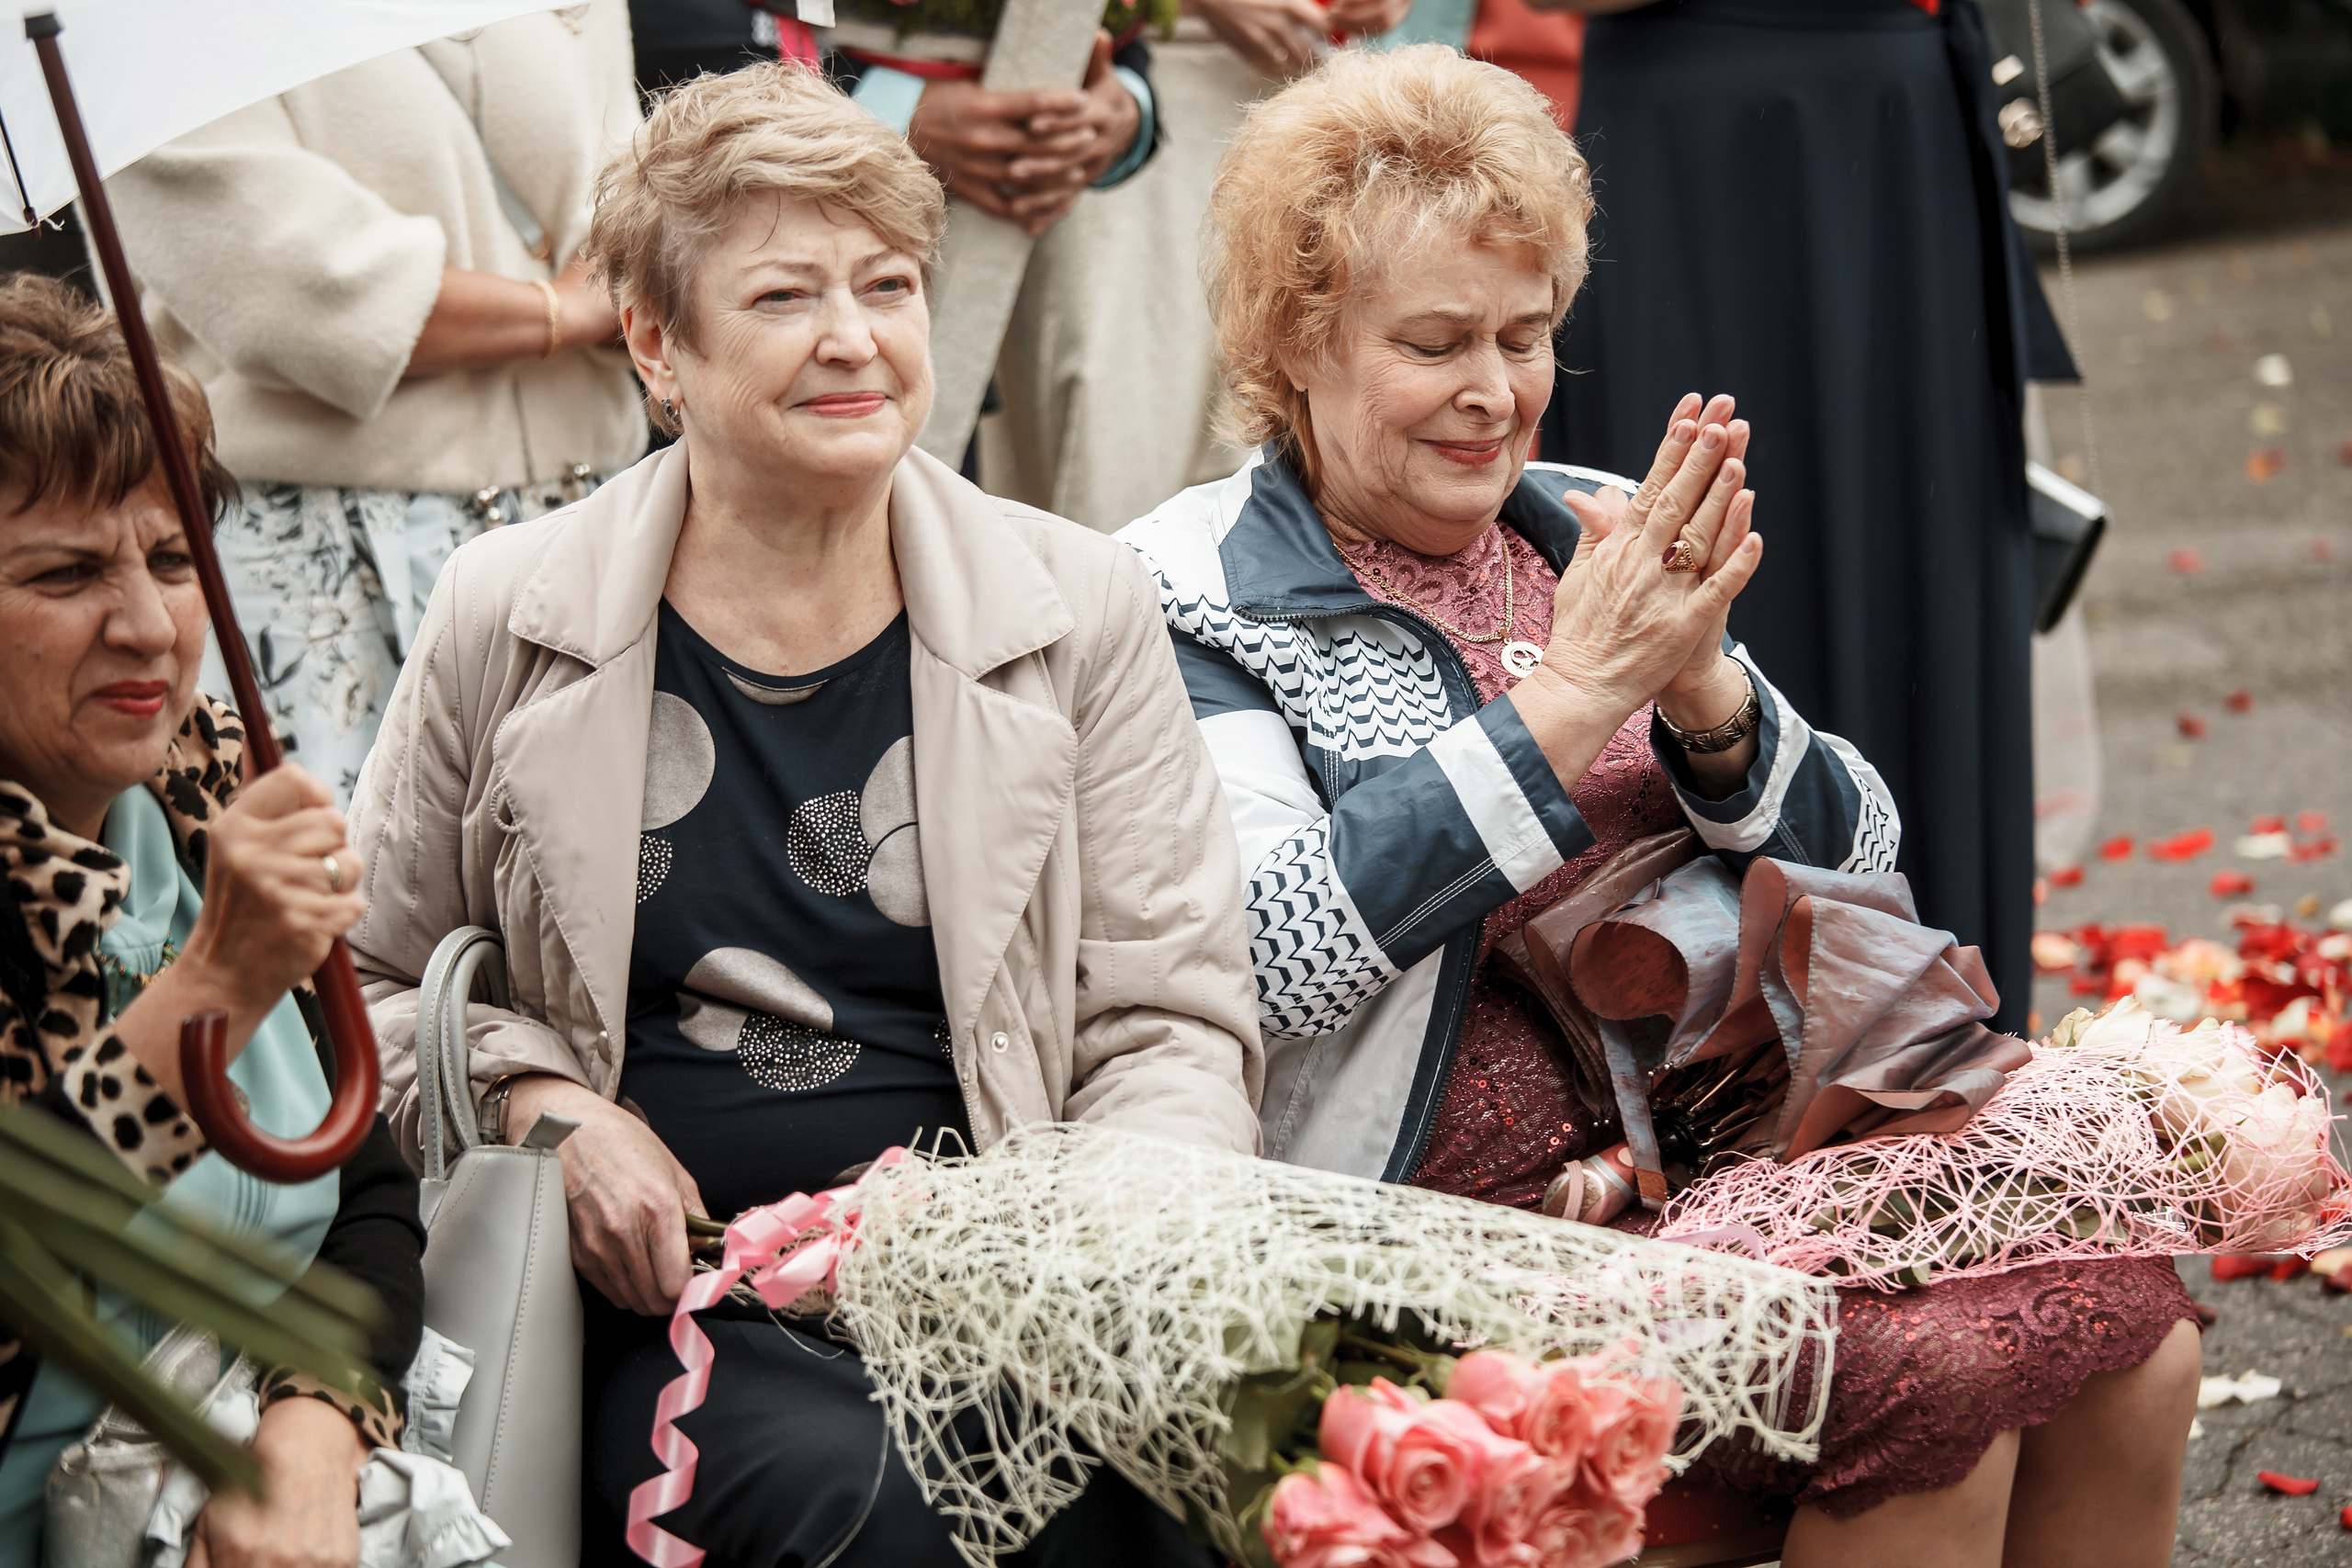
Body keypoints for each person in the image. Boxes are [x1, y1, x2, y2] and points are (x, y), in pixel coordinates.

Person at [1118, 48, 2198, 1568]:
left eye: (1527, 331)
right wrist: (1569, 702)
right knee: (1943, 1381)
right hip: (1444, 1220)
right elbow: (1266, 950)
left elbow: (1865, 863)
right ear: (1298, 343)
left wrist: (1707, 699)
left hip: (1741, 1150)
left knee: (2135, 1332)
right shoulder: (1193, 592)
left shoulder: (1578, 519)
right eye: (1435, 342)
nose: (1493, 392)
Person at [343, 64, 1260, 1567]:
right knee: (876, 1504)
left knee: (1173, 1497)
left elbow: (1174, 1022)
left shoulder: (1072, 605)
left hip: (1023, 1283)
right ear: (657, 343)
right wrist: (541, 1106)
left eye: (888, 284)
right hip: (674, 1312)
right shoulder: (510, 612)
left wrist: (1047, 1251)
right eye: (781, 297)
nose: (854, 339)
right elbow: (361, 997)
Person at [1532, 0, 2076, 1037]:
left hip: (1888, 125)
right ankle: (1721, 1055)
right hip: (1714, 140)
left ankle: (1941, 1054)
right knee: (1703, 554)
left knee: (1905, 576)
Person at [0, 275, 424, 1567]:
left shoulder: (212, 785)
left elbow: (373, 1197)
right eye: (68, 572)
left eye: (174, 556)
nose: (146, 623)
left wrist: (310, 1422)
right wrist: (215, 984)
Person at [103, 2, 648, 804]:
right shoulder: (139, 22)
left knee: (615, 881)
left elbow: (633, 195)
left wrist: (629, 279)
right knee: (345, 894)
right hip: (318, 555)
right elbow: (286, 288)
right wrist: (561, 312)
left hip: (588, 521)